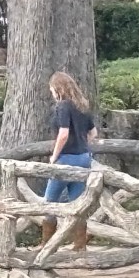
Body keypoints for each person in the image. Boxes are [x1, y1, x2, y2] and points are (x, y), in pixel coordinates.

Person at [42, 71, 98, 251]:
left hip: (66, 159)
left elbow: (63, 133)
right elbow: (94, 133)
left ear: (57, 88)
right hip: (84, 158)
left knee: (50, 202)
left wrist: (54, 156)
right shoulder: (82, 105)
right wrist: (82, 145)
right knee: (77, 203)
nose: (51, 92)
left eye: (51, 89)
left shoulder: (62, 106)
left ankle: (47, 245)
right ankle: (79, 245)